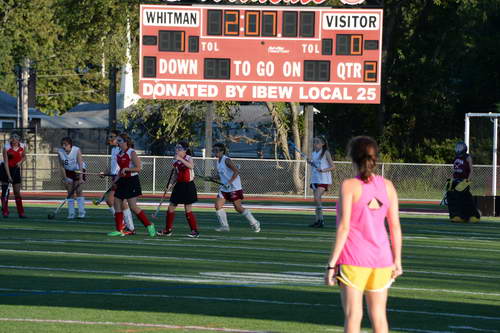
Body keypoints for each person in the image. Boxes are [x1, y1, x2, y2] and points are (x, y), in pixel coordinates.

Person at [324, 136, 403, 333]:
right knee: (379, 317)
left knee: (353, 315)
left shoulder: (349, 185)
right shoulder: (388, 186)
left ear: (352, 157)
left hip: (353, 259)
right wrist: (397, 260)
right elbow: (395, 227)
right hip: (382, 259)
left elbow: (344, 227)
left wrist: (331, 264)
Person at [107, 133, 156, 237]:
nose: (117, 142)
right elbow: (121, 170)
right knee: (117, 203)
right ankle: (119, 230)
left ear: (125, 142)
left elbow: (139, 168)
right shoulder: (118, 154)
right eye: (117, 141)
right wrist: (115, 181)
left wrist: (128, 169)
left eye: (119, 141)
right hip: (122, 181)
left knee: (133, 207)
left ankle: (149, 225)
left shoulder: (131, 152)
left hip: (132, 181)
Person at [212, 143, 260, 232]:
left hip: (234, 187)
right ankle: (225, 227)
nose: (215, 152)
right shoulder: (218, 161)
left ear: (222, 151)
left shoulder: (227, 160)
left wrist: (229, 182)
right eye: (214, 150)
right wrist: (212, 177)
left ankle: (254, 222)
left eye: (217, 151)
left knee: (238, 208)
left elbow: (236, 171)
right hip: (224, 188)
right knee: (218, 205)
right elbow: (222, 174)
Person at [157, 141, 200, 238]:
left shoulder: (188, 158)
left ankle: (194, 231)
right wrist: (170, 184)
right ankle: (168, 230)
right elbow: (175, 174)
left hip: (188, 185)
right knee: (171, 207)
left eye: (179, 148)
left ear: (185, 150)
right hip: (179, 185)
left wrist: (180, 158)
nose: (176, 150)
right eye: (176, 147)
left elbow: (191, 166)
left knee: (187, 209)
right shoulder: (174, 160)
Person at [100, 130, 135, 234]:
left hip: (122, 178)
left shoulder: (124, 150)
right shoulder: (114, 150)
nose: (110, 138)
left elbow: (126, 166)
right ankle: (128, 227)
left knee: (111, 199)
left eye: (112, 136)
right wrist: (105, 173)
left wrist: (119, 176)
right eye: (109, 136)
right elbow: (113, 166)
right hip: (115, 178)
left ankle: (125, 226)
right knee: (119, 202)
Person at [446, 141, 481, 223]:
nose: (458, 149)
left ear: (464, 148)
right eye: (457, 147)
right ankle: (456, 216)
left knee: (464, 198)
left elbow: (471, 170)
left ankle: (473, 216)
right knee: (450, 196)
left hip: (463, 180)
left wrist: (467, 180)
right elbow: (454, 170)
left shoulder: (467, 157)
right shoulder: (455, 157)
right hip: (455, 179)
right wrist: (451, 180)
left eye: (460, 147)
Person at [309, 136, 335, 228]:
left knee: (317, 197)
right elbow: (314, 165)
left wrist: (323, 170)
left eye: (317, 142)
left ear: (323, 144)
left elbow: (333, 166)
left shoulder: (325, 153)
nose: (315, 143)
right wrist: (311, 163)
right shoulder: (313, 153)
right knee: (316, 200)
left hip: (323, 179)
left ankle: (321, 220)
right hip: (315, 179)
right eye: (314, 142)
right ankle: (317, 220)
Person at [0, 132, 27, 218]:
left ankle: (21, 212)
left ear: (19, 139)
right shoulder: (6, 147)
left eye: (16, 138)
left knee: (17, 192)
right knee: (5, 192)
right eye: (12, 138)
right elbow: (6, 163)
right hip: (5, 170)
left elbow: (24, 156)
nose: (14, 139)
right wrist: (9, 176)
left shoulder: (23, 146)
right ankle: (5, 211)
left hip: (16, 169)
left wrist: (20, 162)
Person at [58, 137, 86, 219]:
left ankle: (81, 212)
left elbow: (80, 164)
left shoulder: (76, 150)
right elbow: (61, 166)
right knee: (70, 192)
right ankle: (71, 213)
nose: (64, 146)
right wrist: (65, 178)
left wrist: (81, 177)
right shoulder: (60, 152)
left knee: (78, 190)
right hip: (68, 172)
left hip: (78, 170)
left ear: (70, 145)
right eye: (62, 145)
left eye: (65, 145)